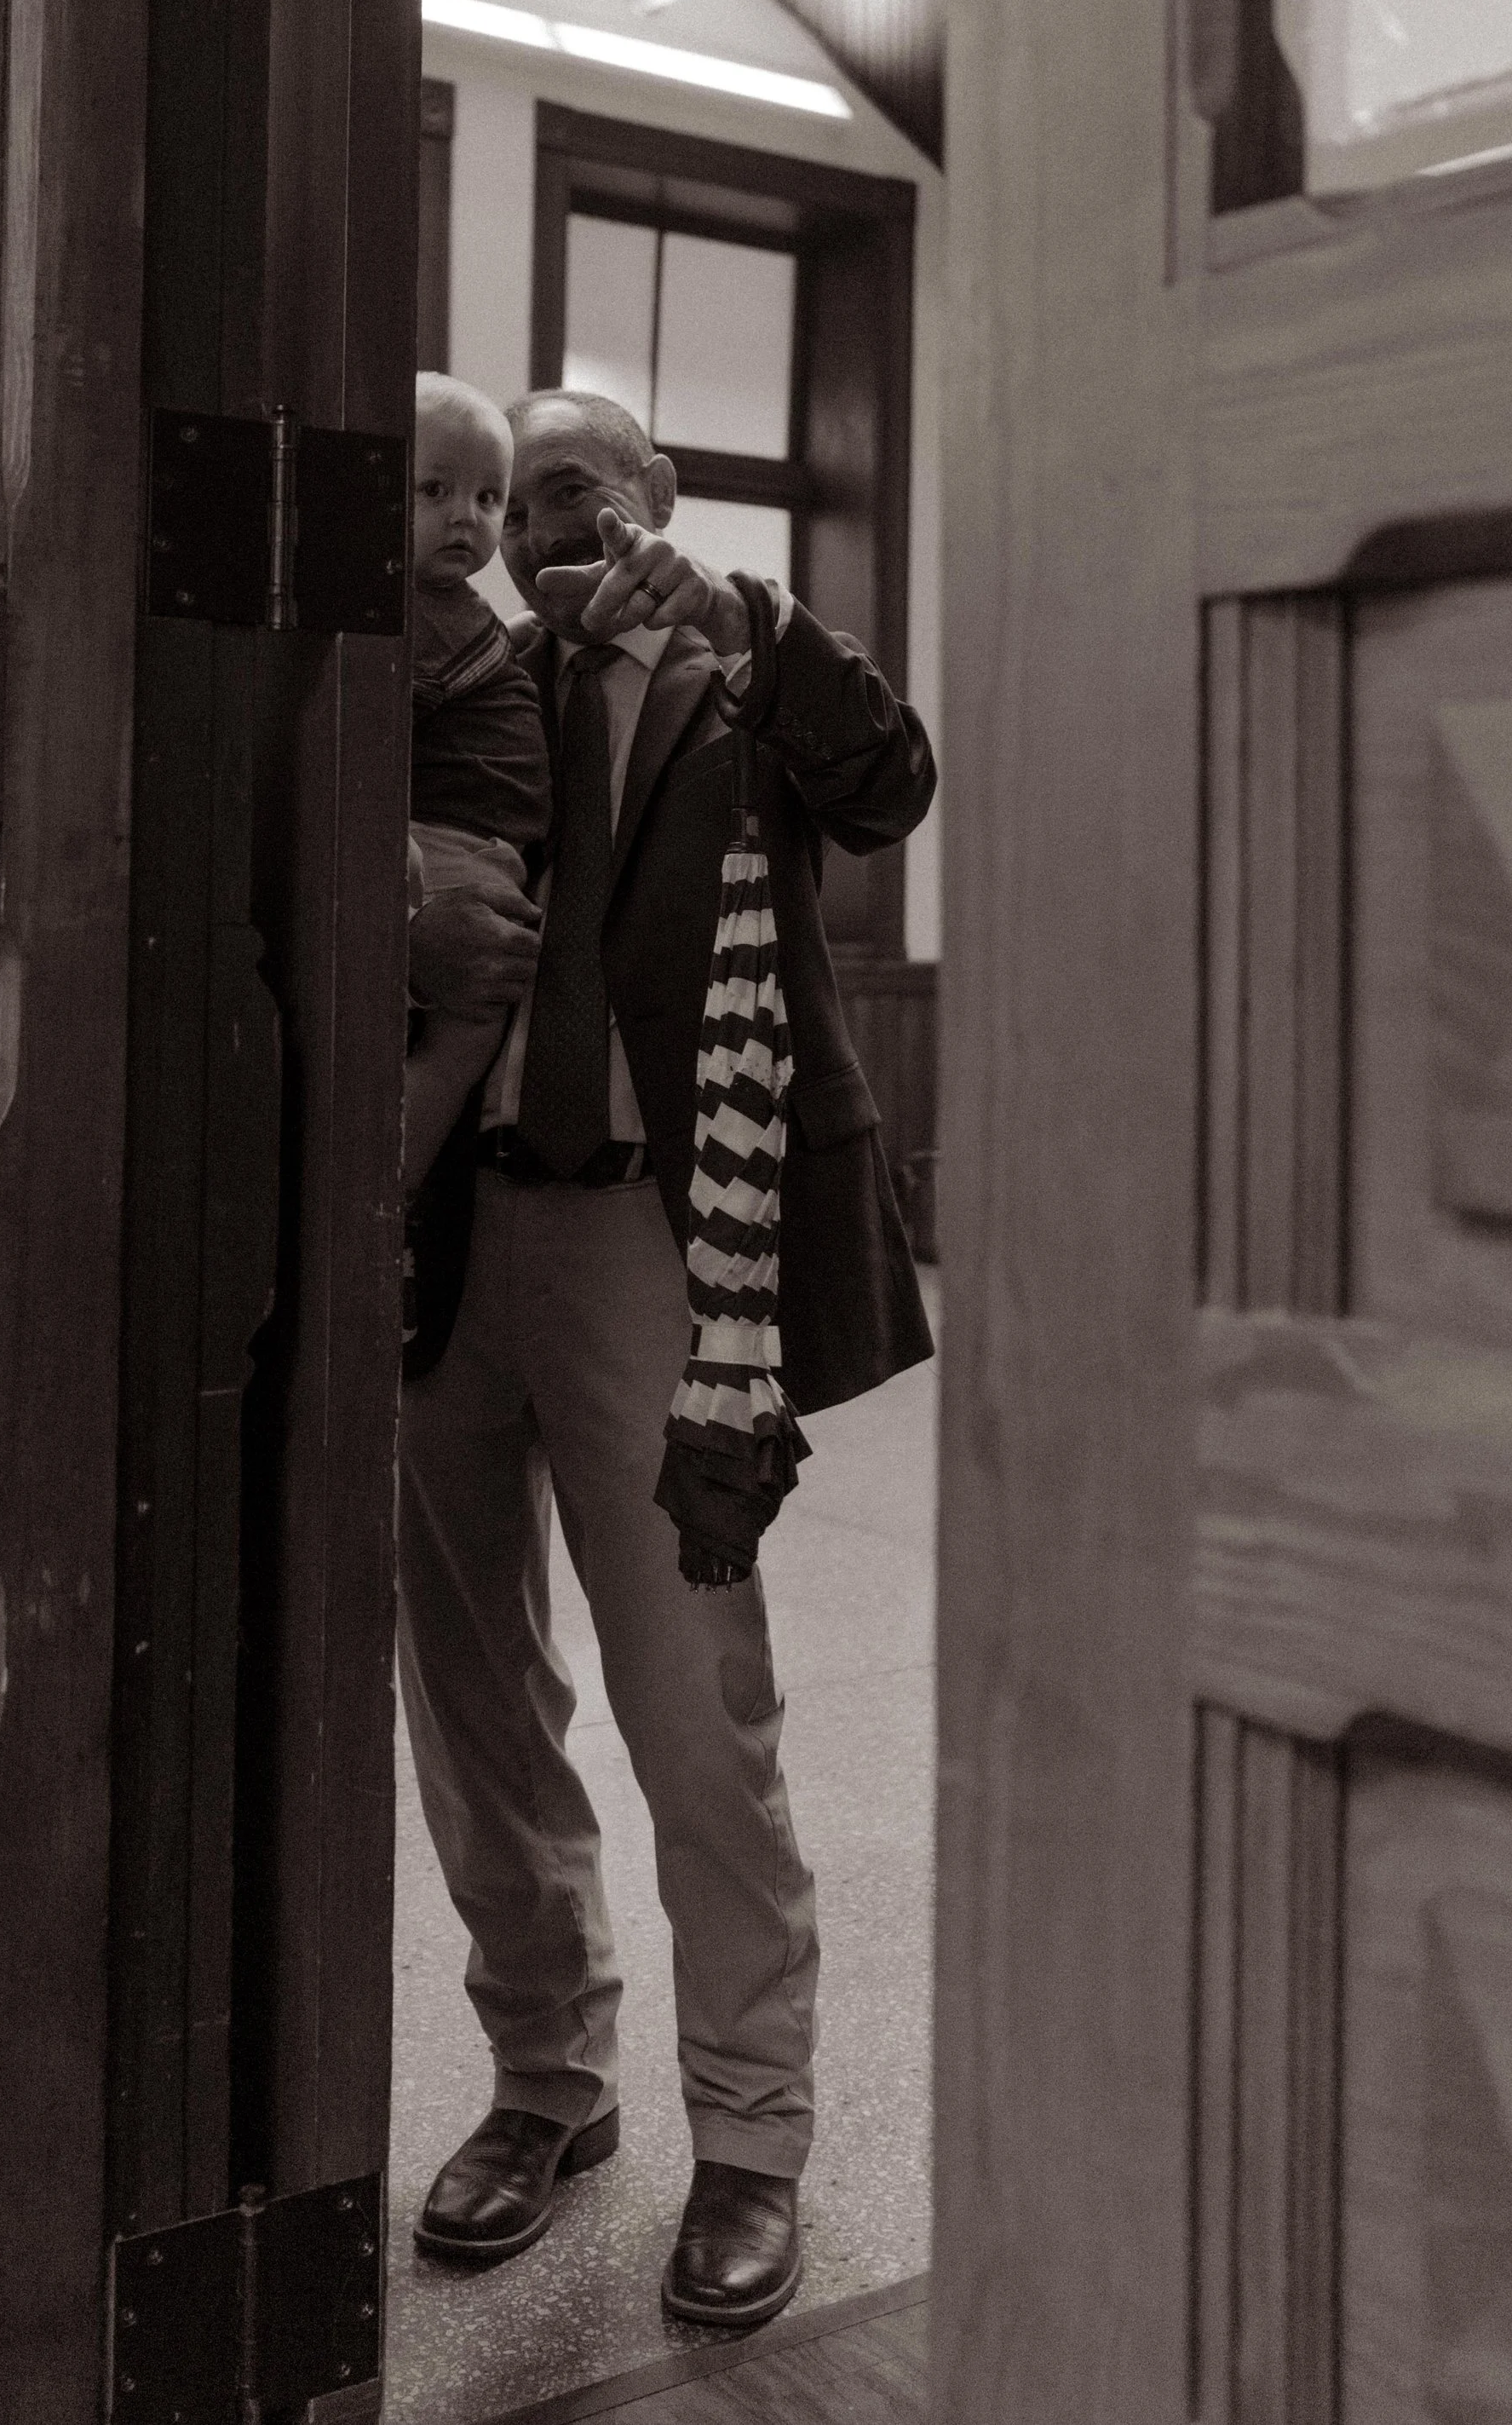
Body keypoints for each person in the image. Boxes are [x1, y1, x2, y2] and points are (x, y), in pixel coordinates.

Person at [397, 387, 936, 2331]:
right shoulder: (458, 680)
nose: (542, 524)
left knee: (698, 1708)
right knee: (473, 1698)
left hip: (655, 1244)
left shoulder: (738, 678)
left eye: (575, 490)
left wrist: (749, 614)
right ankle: (548, 2077)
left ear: (657, 498)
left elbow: (890, 782)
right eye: (518, 496)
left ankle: (755, 2134)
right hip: (449, 1230)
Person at [404, 374, 551, 1201]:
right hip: (451, 848)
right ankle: (381, 1191)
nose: (465, 517)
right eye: (434, 490)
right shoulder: (425, 613)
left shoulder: (456, 611)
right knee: (466, 1033)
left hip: (472, 848)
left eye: (489, 498)